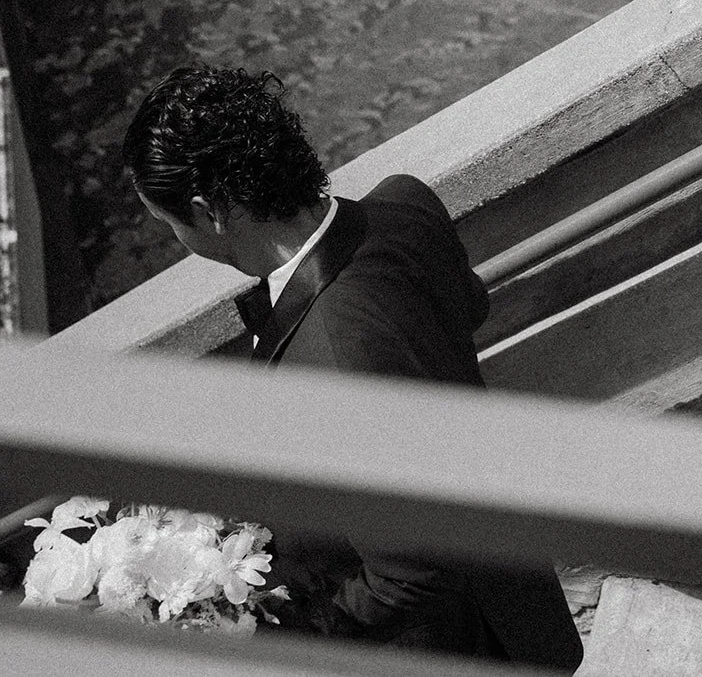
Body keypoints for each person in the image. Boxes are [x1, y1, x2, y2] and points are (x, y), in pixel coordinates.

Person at [123, 65, 584, 671]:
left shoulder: (334, 361)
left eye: (170, 226)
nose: (178, 240)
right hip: (514, 580)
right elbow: (468, 307)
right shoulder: (404, 201)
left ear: (208, 213)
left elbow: (409, 577)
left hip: (464, 644)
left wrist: (267, 630)